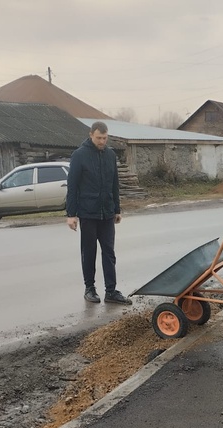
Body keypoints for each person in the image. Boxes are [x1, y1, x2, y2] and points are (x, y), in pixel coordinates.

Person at [66, 121, 132, 305]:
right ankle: (90, 289)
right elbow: (72, 186)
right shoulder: (79, 155)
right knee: (89, 252)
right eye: (99, 138)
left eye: (105, 138)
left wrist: (117, 209)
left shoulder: (110, 155)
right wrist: (71, 214)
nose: (102, 141)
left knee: (109, 252)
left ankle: (111, 291)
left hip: (107, 213)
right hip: (88, 213)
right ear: (91, 135)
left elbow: (114, 184)